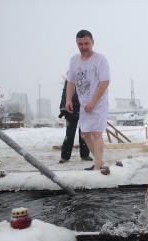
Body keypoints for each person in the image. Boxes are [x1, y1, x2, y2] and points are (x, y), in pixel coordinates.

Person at [66, 30, 110, 173]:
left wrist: (93, 102)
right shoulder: (74, 60)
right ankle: (100, 161)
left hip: (98, 102)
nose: (83, 46)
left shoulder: (100, 60)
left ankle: (98, 165)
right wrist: (68, 100)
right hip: (84, 103)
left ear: (92, 42)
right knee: (85, 134)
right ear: (76, 43)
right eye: (80, 44)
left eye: (86, 43)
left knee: (97, 133)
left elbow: (104, 82)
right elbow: (71, 82)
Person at [58, 80, 92, 163]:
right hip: (71, 110)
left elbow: (91, 94)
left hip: (84, 110)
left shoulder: (87, 78)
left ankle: (85, 155)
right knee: (69, 134)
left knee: (84, 134)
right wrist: (63, 108)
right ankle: (65, 156)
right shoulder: (70, 79)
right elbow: (65, 94)